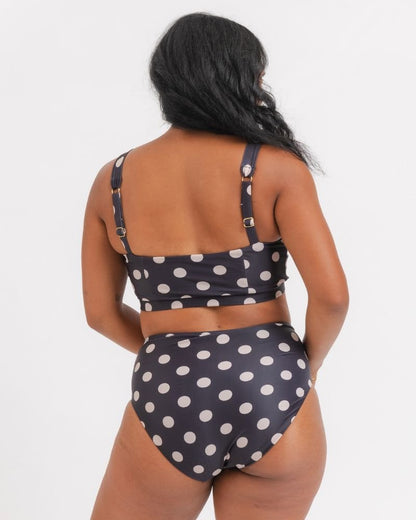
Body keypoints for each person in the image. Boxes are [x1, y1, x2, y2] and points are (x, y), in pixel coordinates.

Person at [81, 12, 349, 520]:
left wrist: (180, 352)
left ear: (166, 82)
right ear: (243, 79)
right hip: (272, 380)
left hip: (169, 384)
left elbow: (100, 313)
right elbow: (333, 298)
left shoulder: (112, 182)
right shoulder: (275, 169)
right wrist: (303, 366)